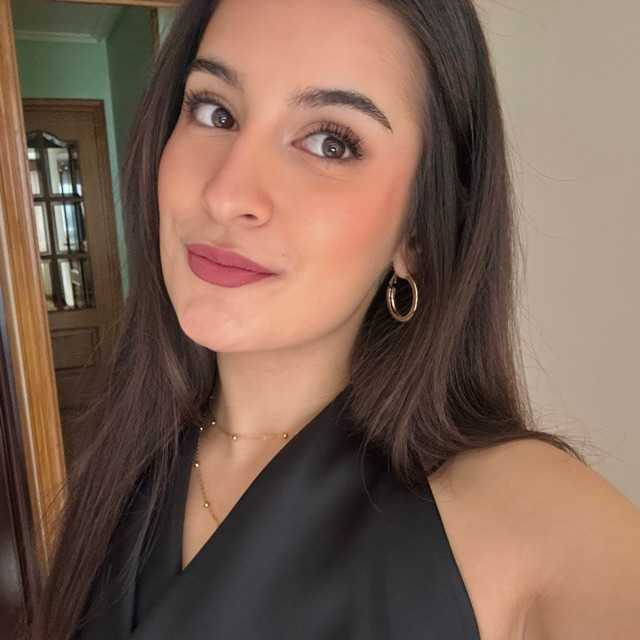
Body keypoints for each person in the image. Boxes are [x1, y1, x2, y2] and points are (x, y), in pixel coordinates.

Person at [24, 1, 640, 639]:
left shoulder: (516, 513)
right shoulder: (125, 463)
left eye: (330, 142)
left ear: (419, 233)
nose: (226, 194)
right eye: (215, 111)